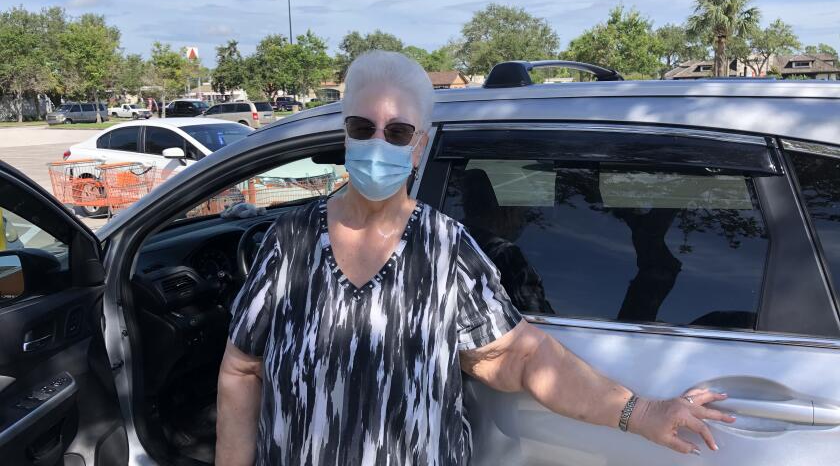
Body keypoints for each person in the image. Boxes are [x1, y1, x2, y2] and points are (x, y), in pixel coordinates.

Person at [216, 50, 735, 466]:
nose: (378, 142)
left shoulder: (445, 247)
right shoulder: (289, 241)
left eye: (397, 132)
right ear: (345, 133)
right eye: (362, 127)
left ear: (419, 146)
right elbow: (242, 369)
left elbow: (521, 357)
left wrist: (639, 411)